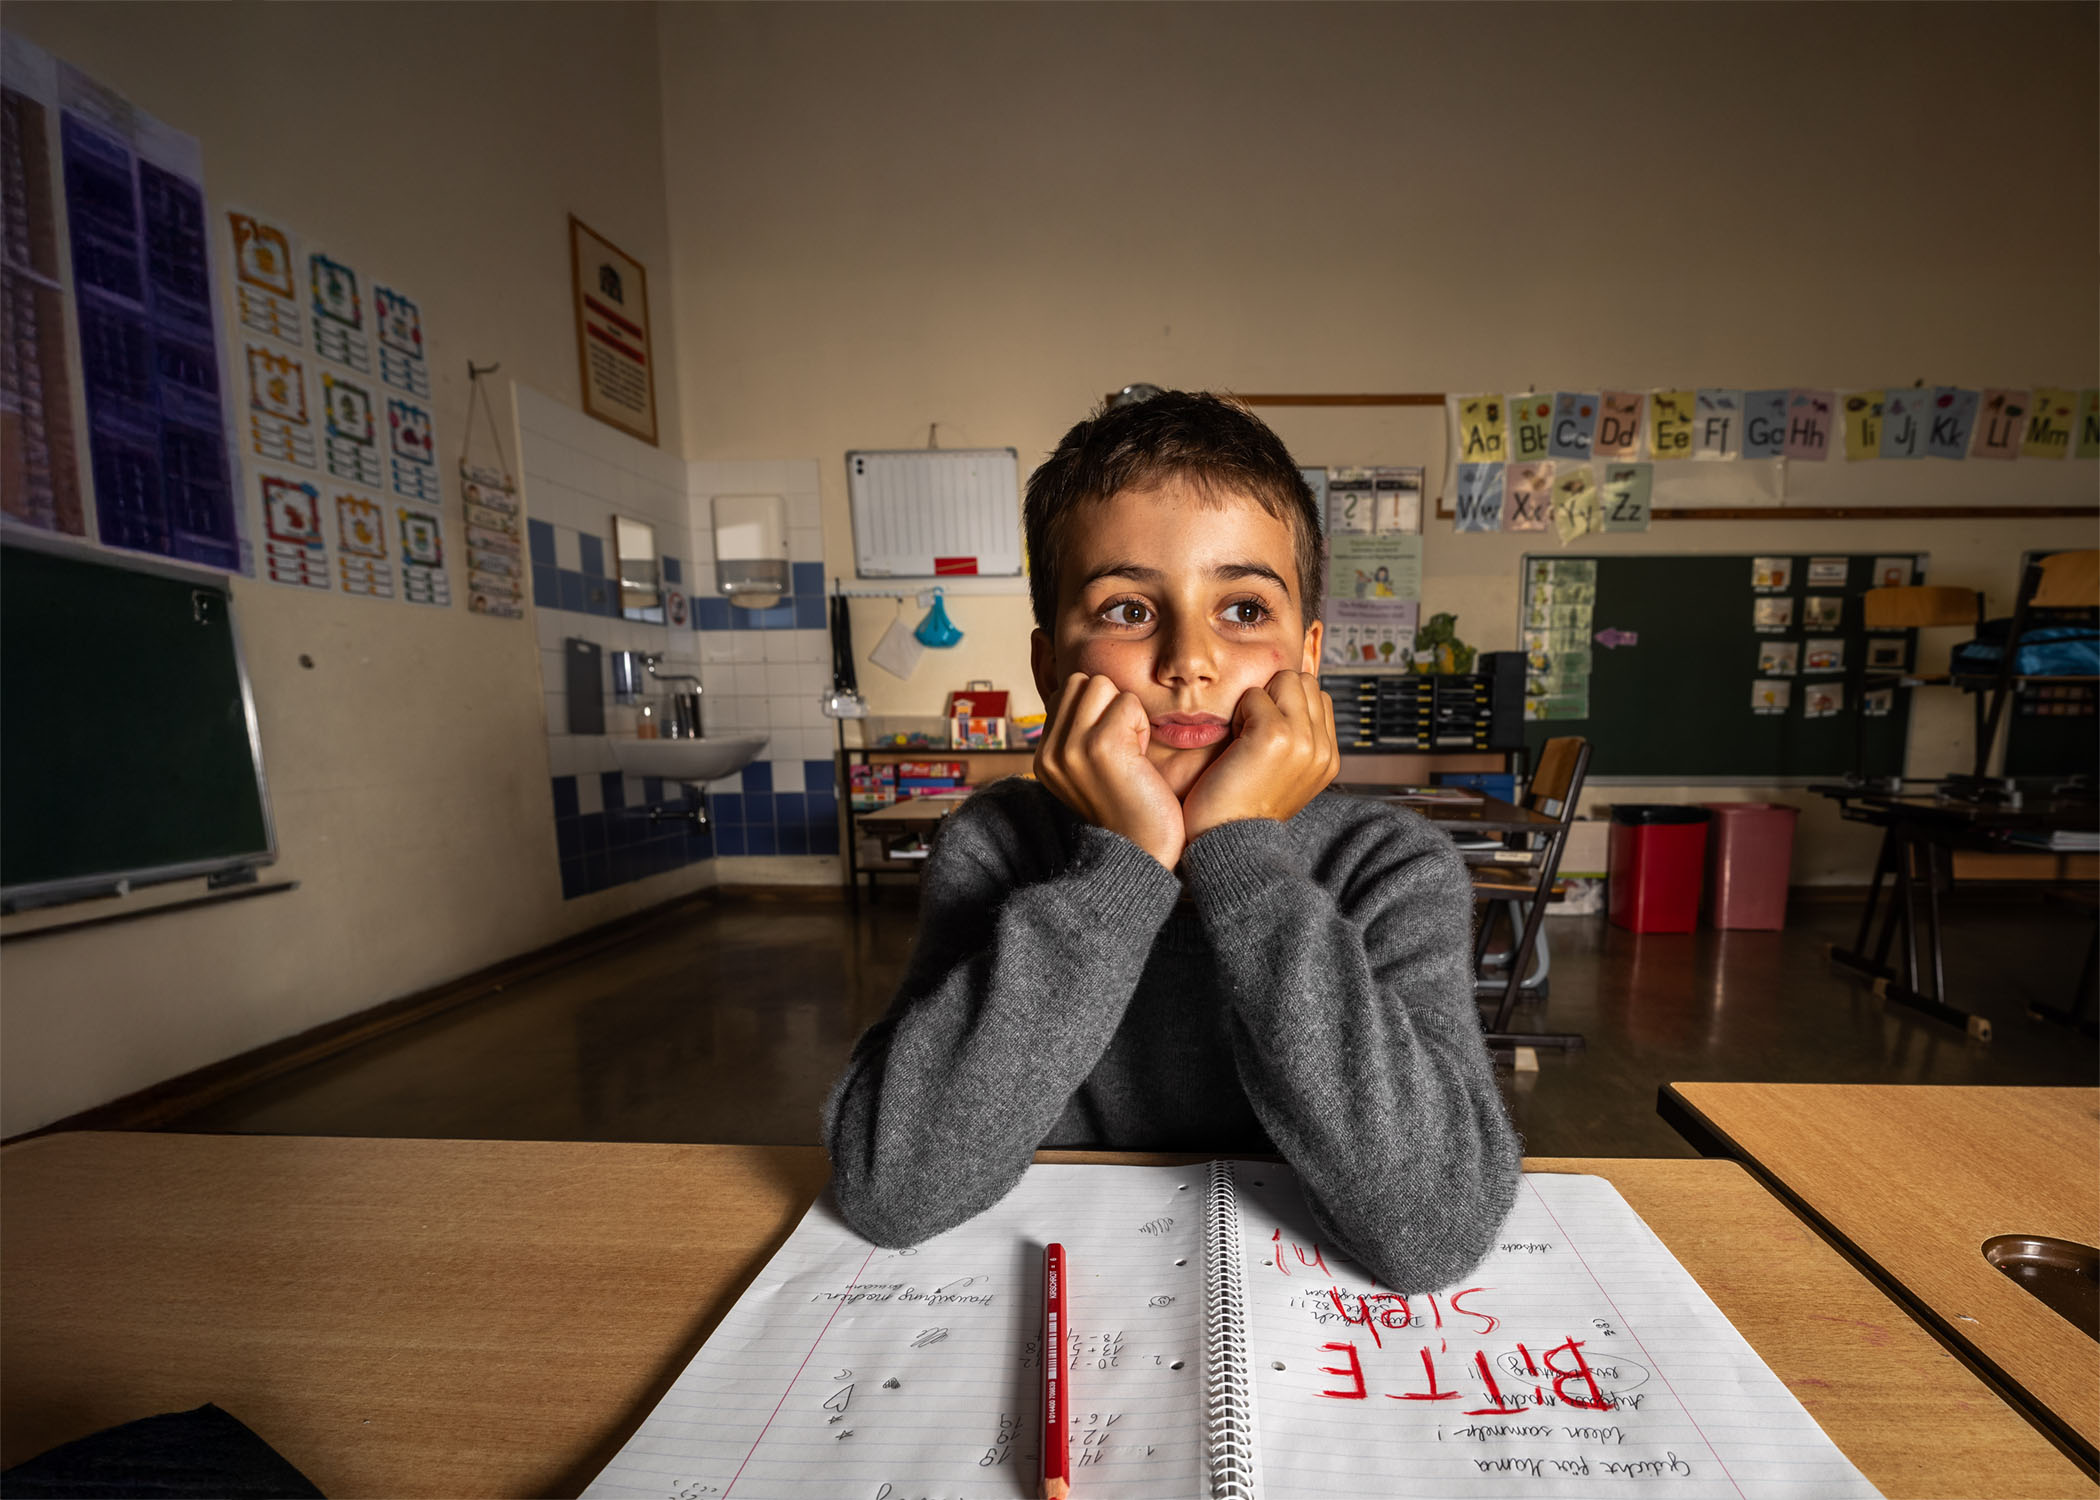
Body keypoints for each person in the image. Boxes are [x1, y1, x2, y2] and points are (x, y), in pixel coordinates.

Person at [824, 391, 1518, 1293]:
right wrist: (1124, 868)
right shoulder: (998, 845)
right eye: (1126, 610)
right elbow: (892, 1191)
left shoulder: (1390, 866)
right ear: (1050, 667)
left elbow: (1435, 1230)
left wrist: (1241, 856)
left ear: (1308, 658)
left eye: (1243, 610)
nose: (1189, 660)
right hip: (1069, 1291)